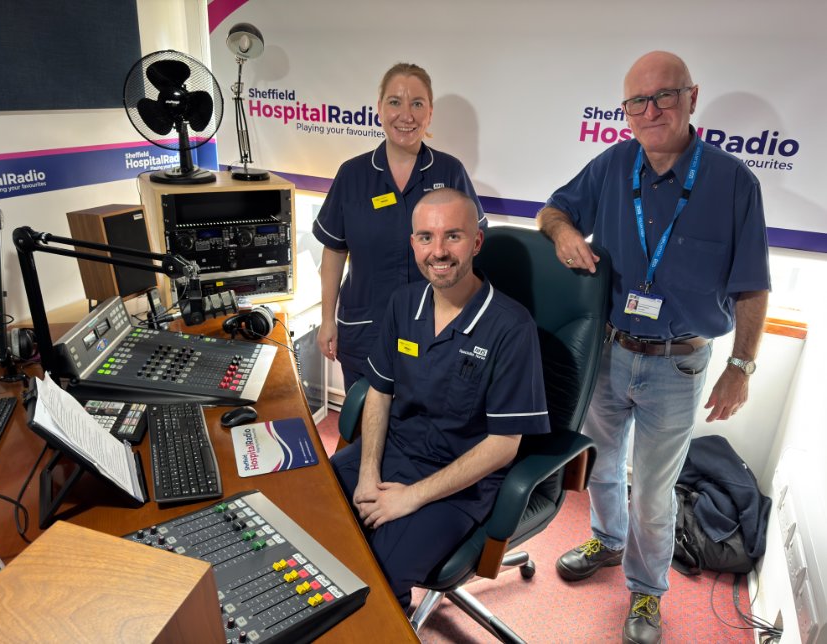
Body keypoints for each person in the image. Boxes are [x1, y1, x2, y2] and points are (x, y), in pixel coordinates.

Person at [536, 51, 770, 644]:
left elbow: (752, 286)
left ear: (692, 98)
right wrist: (564, 234)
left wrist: (741, 366)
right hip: (610, 353)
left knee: (655, 489)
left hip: (680, 363)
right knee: (604, 467)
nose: (651, 110)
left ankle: (647, 593)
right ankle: (608, 543)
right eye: (637, 101)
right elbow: (553, 210)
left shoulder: (734, 181)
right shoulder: (615, 164)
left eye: (664, 96)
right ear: (626, 110)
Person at [331, 188, 549, 609]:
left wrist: (410, 497)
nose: (439, 251)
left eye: (453, 236)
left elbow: (504, 445)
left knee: (375, 578)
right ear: (413, 243)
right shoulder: (403, 303)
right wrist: (367, 473)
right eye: (426, 237)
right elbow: (379, 390)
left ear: (476, 242)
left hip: (459, 486)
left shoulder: (511, 328)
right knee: (310, 515)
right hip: (390, 455)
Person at [313, 63, 486, 392]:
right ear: (379, 109)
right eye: (395, 102)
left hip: (435, 334)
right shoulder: (352, 175)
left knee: (422, 431)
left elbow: (471, 252)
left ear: (430, 113)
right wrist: (327, 320)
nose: (406, 115)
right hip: (365, 332)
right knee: (364, 427)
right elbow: (334, 251)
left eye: (417, 103)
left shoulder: (451, 172)